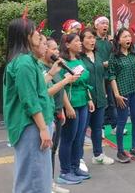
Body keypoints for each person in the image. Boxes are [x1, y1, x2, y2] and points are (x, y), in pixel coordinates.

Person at [3, 18, 54, 193]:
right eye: (37, 35)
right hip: (31, 127)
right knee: (34, 179)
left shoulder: (26, 60)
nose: (41, 39)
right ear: (26, 36)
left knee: (35, 176)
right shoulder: (24, 63)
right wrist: (43, 128)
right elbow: (30, 99)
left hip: (32, 126)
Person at [41, 36, 78, 193]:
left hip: (56, 112)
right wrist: (65, 81)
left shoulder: (53, 66)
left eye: (57, 48)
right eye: (53, 48)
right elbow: (47, 91)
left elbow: (60, 92)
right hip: (47, 114)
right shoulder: (42, 68)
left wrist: (62, 108)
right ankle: (46, 184)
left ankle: (50, 182)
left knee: (53, 149)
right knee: (47, 152)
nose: (57, 51)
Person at [58, 32, 95, 185]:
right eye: (77, 41)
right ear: (67, 44)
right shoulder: (62, 63)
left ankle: (75, 166)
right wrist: (67, 107)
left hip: (83, 102)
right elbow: (62, 86)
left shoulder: (79, 59)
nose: (80, 43)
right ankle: (65, 171)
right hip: (71, 103)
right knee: (68, 138)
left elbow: (85, 79)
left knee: (79, 137)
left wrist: (89, 99)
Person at [108, 28, 135, 163]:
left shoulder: (133, 55)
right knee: (122, 122)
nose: (128, 39)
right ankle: (120, 151)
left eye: (129, 36)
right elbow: (111, 76)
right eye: (124, 37)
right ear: (118, 40)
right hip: (122, 93)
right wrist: (116, 94)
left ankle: (134, 148)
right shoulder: (114, 56)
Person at [79, 28, 114, 166]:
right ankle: (78, 158)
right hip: (85, 99)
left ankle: (98, 154)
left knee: (98, 128)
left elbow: (101, 76)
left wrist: (104, 92)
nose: (91, 40)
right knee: (81, 130)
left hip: (100, 98)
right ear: (81, 41)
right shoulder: (79, 58)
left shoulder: (97, 55)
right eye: (88, 37)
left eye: (93, 37)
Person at [93, 16, 118, 137]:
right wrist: (103, 64)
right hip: (99, 75)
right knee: (102, 102)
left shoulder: (110, 41)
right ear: (96, 26)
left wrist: (114, 42)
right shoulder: (94, 41)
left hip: (110, 75)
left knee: (112, 101)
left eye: (107, 23)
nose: (105, 26)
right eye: (102, 23)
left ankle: (115, 126)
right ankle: (100, 128)